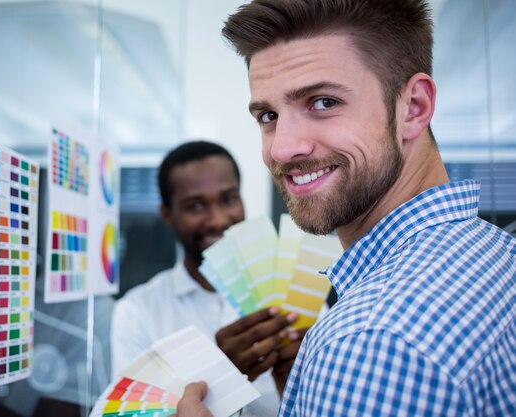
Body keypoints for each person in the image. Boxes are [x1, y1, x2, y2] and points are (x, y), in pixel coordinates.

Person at [177, 0, 516, 416]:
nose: (282, 148)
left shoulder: (369, 339)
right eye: (268, 115)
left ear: (414, 107)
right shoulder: (498, 252)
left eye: (323, 102)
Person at [111, 140, 310, 417]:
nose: (217, 219)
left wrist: (305, 382)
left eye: (228, 199)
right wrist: (222, 379)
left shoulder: (294, 292)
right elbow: (130, 413)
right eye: (195, 206)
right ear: (168, 215)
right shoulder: (137, 312)